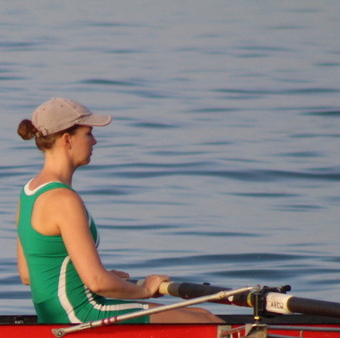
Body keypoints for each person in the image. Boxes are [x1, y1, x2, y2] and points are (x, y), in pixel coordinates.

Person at [15, 98, 217, 325]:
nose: (95, 141)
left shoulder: (29, 192)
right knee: (207, 320)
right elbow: (97, 283)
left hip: (56, 316)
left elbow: (27, 274)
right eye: (88, 133)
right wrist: (146, 290)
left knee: (199, 316)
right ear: (67, 140)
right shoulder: (64, 200)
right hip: (81, 315)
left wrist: (106, 279)